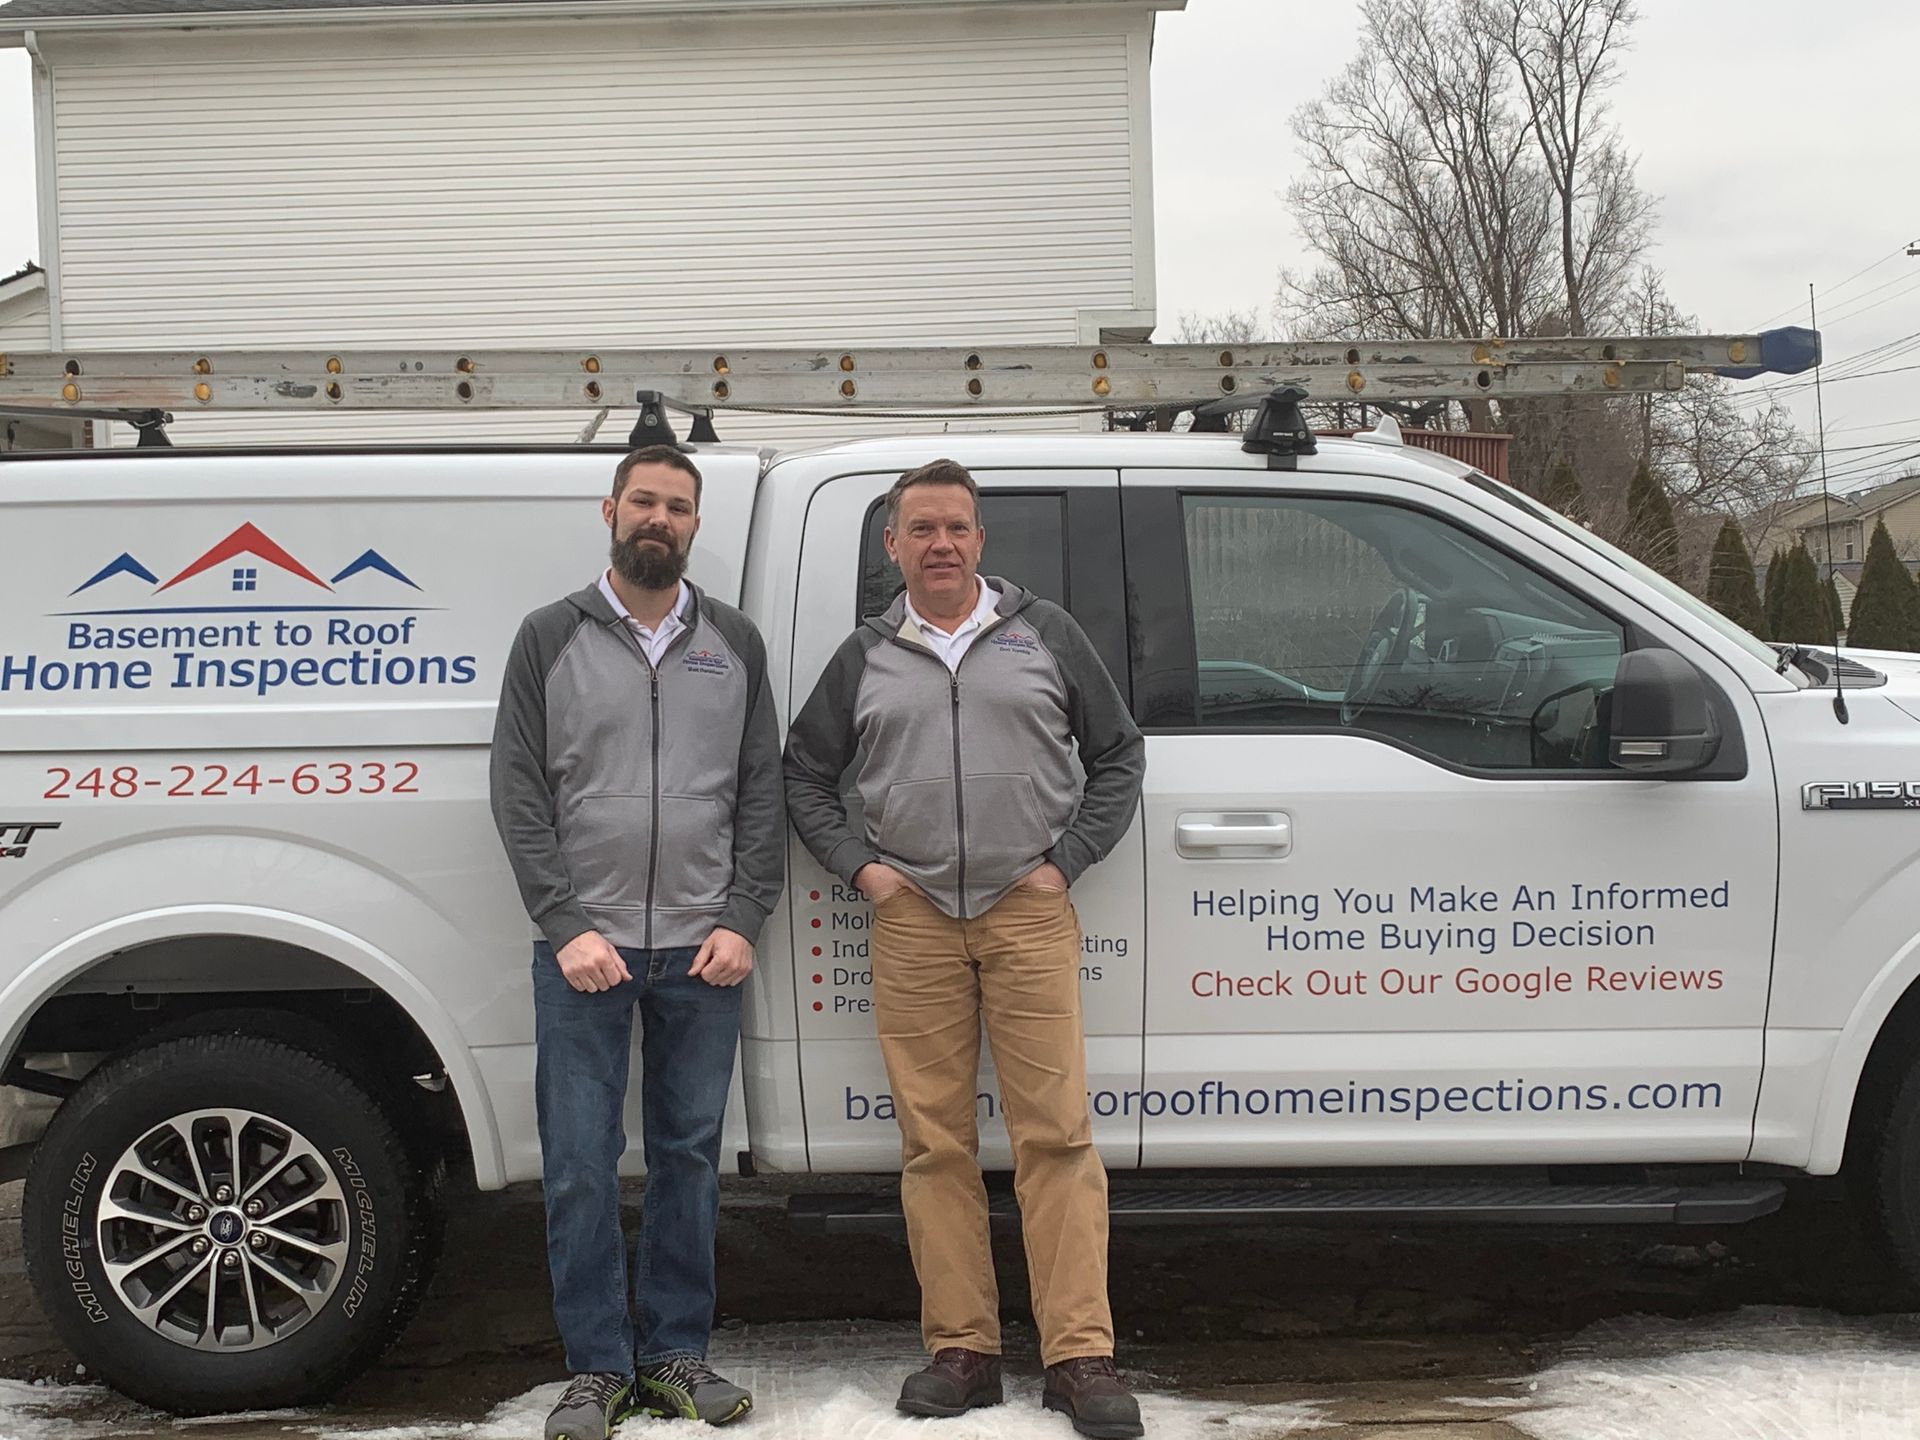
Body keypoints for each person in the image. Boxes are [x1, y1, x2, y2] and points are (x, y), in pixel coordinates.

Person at [783, 458, 1147, 1439]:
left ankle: (1081, 1357)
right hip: (912, 920)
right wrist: (865, 871)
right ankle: (964, 1350)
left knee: (1057, 1138)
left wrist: (1064, 862)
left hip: (1026, 910)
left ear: (979, 541)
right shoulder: (864, 656)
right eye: (920, 529)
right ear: (892, 545)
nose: (939, 544)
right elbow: (805, 776)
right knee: (935, 1145)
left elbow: (1117, 755)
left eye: (955, 527)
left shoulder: (1044, 635)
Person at [490, 444, 783, 1439]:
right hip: (587, 954)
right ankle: (595, 1372)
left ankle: (674, 1355)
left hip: (703, 953)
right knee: (578, 1164)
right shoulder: (549, 638)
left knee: (688, 1162)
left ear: (697, 524)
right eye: (644, 501)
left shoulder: (732, 641)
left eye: (679, 506)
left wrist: (743, 916)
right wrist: (565, 925)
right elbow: (520, 792)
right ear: (610, 509)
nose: (659, 518)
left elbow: (762, 793)